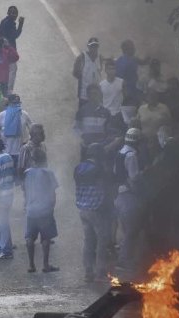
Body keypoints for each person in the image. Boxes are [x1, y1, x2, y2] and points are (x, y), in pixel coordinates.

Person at [74, 143, 112, 282]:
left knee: (88, 240)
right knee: (102, 240)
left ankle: (88, 271)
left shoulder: (78, 168)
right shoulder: (99, 169)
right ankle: (100, 272)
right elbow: (103, 188)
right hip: (96, 209)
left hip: (83, 209)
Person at [23, 148, 59, 273]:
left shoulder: (27, 172)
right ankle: (45, 265)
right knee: (46, 238)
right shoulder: (48, 173)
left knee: (29, 237)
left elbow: (25, 190)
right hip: (45, 210)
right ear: (44, 159)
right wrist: (51, 207)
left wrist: (26, 205)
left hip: (31, 210)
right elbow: (53, 193)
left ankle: (31, 265)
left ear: (33, 160)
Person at [114, 128, 143, 271]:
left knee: (126, 229)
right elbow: (134, 177)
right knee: (131, 231)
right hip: (128, 196)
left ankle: (127, 260)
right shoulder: (131, 155)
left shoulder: (120, 152)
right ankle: (124, 261)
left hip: (119, 196)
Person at [0, 94, 32, 171]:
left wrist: (28, 143)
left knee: (20, 177)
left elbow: (33, 129)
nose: (16, 105)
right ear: (9, 103)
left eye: (18, 103)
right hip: (5, 153)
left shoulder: (24, 114)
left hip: (20, 154)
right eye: (14, 103)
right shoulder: (2, 115)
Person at [136, 89, 171, 164]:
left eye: (154, 96)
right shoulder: (141, 108)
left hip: (159, 141)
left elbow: (170, 124)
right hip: (144, 140)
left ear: (157, 97)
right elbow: (137, 123)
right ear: (146, 97)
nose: (152, 97)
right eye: (150, 96)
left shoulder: (164, 108)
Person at [0, 5, 25, 93]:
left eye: (15, 13)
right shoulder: (9, 23)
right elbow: (14, 36)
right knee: (12, 69)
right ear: (8, 13)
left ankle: (1, 88)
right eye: (12, 13)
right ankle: (8, 90)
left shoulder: (5, 21)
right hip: (7, 52)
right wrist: (21, 24)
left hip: (1, 51)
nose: (14, 15)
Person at [73, 37, 103, 111]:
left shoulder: (100, 58)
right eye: (92, 46)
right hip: (84, 95)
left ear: (98, 47)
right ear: (88, 47)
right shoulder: (81, 57)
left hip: (96, 95)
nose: (94, 48)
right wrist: (84, 79)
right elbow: (75, 72)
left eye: (95, 46)